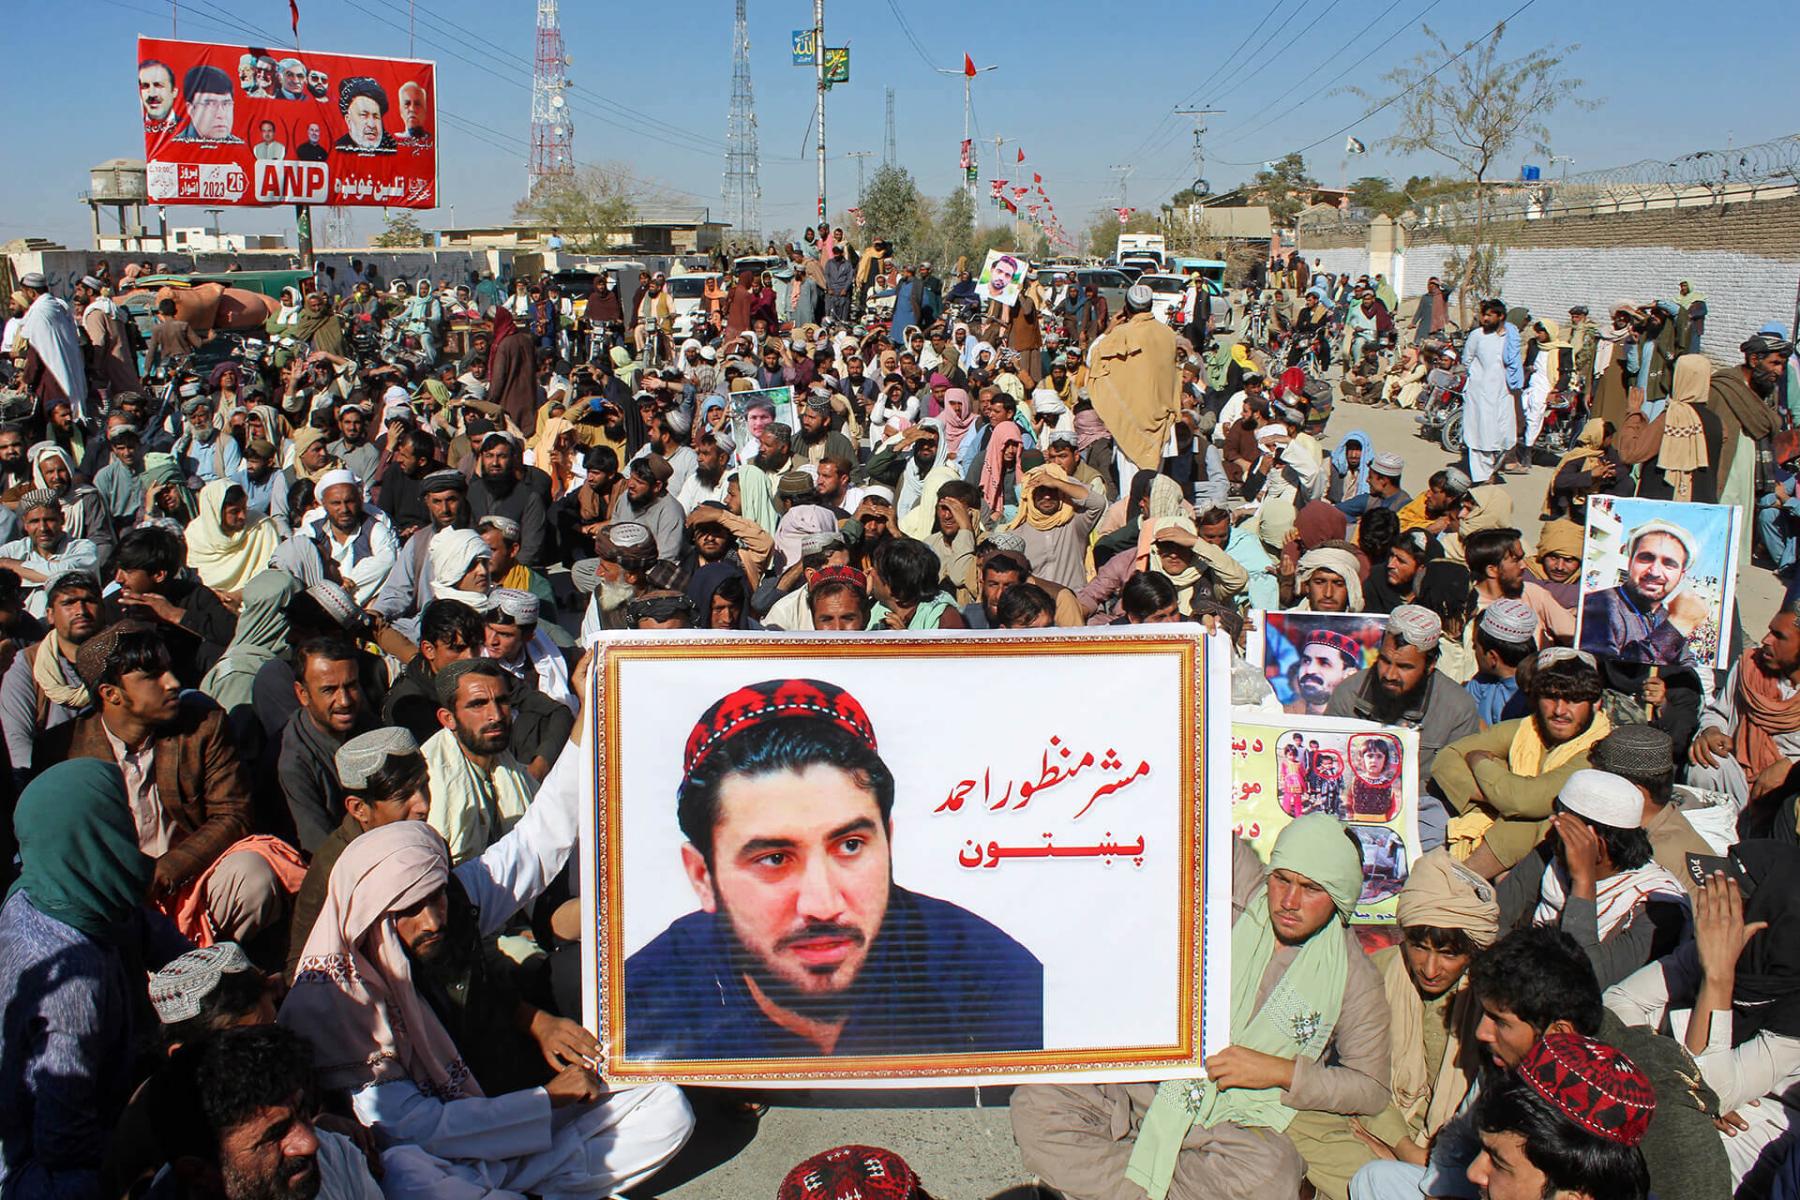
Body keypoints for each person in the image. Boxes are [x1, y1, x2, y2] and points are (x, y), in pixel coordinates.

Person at [623, 677, 1042, 1059]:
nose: (822, 905)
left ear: (888, 843)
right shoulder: (644, 998)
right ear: (703, 877)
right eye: (774, 859)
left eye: (850, 845)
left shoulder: (988, 975)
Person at [281, 821, 696, 1199]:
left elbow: (537, 840)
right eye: (408, 910)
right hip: (435, 1161)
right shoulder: (336, 1002)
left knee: (665, 1105)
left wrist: (538, 1027)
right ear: (371, 921)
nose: (431, 921)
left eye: (435, 898)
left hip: (500, 1128)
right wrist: (545, 1100)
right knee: (407, 1173)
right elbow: (412, 1128)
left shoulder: (444, 937)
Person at [1013, 815, 1389, 1200]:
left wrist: (1279, 1071)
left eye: (1311, 889)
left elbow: (1370, 1087)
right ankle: (1150, 1186)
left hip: (1227, 1123)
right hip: (1150, 1085)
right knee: (1037, 1100)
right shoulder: (1243, 887)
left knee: (1269, 1173)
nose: (1289, 902)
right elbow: (1191, 817)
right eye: (1283, 880)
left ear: (1340, 894)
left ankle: (1135, 1178)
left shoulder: (1353, 976)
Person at [37, 621, 297, 947]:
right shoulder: (63, 749)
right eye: (151, 676)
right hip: (115, 894)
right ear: (110, 694)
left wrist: (166, 871)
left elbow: (233, 814)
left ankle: (208, 967)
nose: (172, 683)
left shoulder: (202, 725)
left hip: (190, 876)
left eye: (168, 670)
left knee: (254, 874)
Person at [1283, 850, 1499, 1200]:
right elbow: (1361, 1074)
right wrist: (1400, 1144)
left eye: (1447, 954)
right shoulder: (1379, 972)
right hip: (1381, 1126)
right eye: (1419, 947)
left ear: (1473, 952)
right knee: (1290, 1113)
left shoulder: (1492, 1002)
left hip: (1461, 1159)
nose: (1430, 969)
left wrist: (1411, 1156)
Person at [0, 761, 168, 1198]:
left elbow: (159, 939)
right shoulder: (73, 982)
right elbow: (63, 1140)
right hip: (33, 1163)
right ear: (97, 832)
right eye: (122, 818)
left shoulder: (64, 886)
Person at [1606, 845, 1800, 1197]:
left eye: (1731, 901)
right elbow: (1617, 1003)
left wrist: (1718, 979)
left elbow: (1705, 1095)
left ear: (1771, 915)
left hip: (1763, 1130)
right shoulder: (1715, 945)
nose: (1711, 910)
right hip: (1694, 1090)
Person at [1493, 769, 1690, 989]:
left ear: (1597, 845)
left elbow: (1585, 979)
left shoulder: (1658, 909)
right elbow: (1494, 920)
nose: (1549, 836)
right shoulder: (1552, 854)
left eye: (1562, 831)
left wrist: (1583, 883)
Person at [144, 1025, 385, 1200]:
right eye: (275, 1135)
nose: (309, 1142)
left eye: (302, 1112)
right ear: (198, 1173)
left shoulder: (332, 1156)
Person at [1435, 648, 1613, 878]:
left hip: (1566, 859)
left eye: (1574, 700)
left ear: (1595, 704)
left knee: (1529, 821)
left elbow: (1524, 800)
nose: (1560, 710)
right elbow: (1446, 759)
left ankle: (1459, 882)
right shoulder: (1528, 729)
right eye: (1550, 697)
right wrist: (1498, 795)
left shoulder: (1599, 748)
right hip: (1505, 843)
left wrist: (1482, 764)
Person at [287, 726, 431, 980]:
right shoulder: (336, 869)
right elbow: (304, 968)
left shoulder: (421, 840)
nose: (423, 805)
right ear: (359, 809)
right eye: (404, 796)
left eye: (423, 787)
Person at [1326, 606, 1481, 806]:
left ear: (1430, 664)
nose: (1390, 675)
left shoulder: (1458, 708)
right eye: (1384, 661)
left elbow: (1458, 783)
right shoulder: (1349, 694)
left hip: (1423, 805)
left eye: (1404, 667)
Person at [1688, 601, 1800, 830]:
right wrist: (1711, 730)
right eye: (1770, 630)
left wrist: (1791, 768)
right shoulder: (1749, 667)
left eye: (1779, 636)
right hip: (1738, 779)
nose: (1766, 640)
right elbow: (1718, 712)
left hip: (1787, 797)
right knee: (1705, 761)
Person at [424, 659, 538, 863]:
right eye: (478, 704)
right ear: (448, 718)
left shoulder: (509, 766)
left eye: (502, 701)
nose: (495, 715)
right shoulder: (428, 780)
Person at [0, 570, 103, 793]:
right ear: (50, 614)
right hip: (50, 782)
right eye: (69, 603)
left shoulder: (122, 661)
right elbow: (17, 740)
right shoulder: (27, 663)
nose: (81, 611)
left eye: (89, 602)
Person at [278, 637, 376, 853]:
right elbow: (321, 849)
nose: (344, 701)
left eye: (351, 686)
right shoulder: (294, 761)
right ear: (302, 694)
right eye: (329, 690)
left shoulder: (369, 726)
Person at [1579, 519, 1710, 667]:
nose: (1654, 572)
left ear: (1681, 575)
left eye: (1669, 564)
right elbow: (1609, 672)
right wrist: (1676, 627)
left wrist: (1665, 687)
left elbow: (1688, 667)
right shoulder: (1600, 603)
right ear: (1630, 562)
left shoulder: (1663, 616)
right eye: (1646, 558)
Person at [1465, 598, 1536, 726]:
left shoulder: (1537, 693)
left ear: (1492, 658)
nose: (1473, 650)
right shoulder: (1480, 683)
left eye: (1476, 647)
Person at [1289, 627, 1364, 716]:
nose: (1309, 670)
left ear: (1349, 675)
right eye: (1306, 661)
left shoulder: (1359, 720)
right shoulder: (1282, 713)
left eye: (1324, 663)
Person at [173, 65, 241, 144]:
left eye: (226, 104)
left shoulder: (240, 147)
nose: (221, 114)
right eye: (210, 104)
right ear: (190, 108)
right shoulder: (175, 146)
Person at [334, 76, 396, 152]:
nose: (372, 125)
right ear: (348, 120)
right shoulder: (337, 149)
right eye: (364, 115)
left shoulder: (391, 147)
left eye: (376, 117)